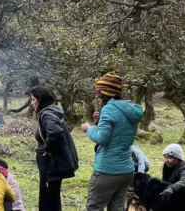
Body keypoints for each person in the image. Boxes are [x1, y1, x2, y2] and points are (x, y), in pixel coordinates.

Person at [81, 71, 143, 211]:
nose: (97, 97)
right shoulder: (129, 108)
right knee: (117, 208)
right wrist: (102, 117)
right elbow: (119, 129)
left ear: (105, 93)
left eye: (98, 93)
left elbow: (102, 138)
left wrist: (88, 128)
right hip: (126, 170)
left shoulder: (109, 109)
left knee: (94, 207)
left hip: (107, 170)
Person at [31, 85, 79, 211]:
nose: (32, 103)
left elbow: (56, 132)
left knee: (48, 197)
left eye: (33, 100)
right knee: (52, 195)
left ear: (40, 100)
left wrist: (48, 149)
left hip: (50, 164)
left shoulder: (47, 114)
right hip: (51, 163)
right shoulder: (52, 111)